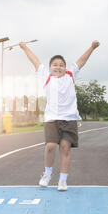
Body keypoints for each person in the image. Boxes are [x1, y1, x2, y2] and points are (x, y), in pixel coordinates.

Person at [19, 40, 100, 191]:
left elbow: (82, 61)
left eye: (61, 65)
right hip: (51, 118)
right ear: (49, 68)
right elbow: (35, 60)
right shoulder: (45, 76)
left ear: (65, 68)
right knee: (50, 146)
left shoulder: (70, 75)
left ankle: (62, 180)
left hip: (69, 119)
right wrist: (25, 48)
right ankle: (47, 174)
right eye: (55, 65)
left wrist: (92, 47)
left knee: (64, 147)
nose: (58, 67)